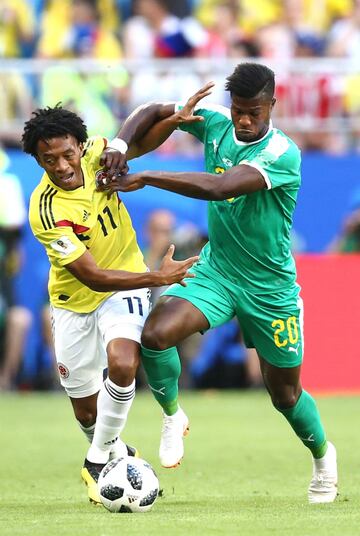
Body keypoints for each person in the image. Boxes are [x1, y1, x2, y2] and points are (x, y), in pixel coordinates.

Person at [98, 62, 338, 504]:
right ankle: (173, 416)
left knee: (284, 394)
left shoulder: (281, 153)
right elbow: (152, 110)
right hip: (218, 271)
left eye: (255, 112)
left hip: (270, 289)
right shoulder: (216, 123)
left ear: (272, 106)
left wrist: (146, 175)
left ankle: (323, 457)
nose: (245, 120)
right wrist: (119, 145)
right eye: (239, 111)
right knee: (154, 333)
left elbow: (221, 187)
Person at [22, 104, 198, 504]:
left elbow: (141, 133)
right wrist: (157, 277)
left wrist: (172, 118)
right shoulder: (46, 210)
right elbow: (91, 276)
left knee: (122, 363)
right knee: (87, 414)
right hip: (73, 302)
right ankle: (116, 452)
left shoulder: (94, 156)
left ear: (79, 145)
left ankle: (97, 460)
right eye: (49, 160)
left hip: (125, 285)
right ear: (38, 160)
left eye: (68, 154)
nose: (63, 165)